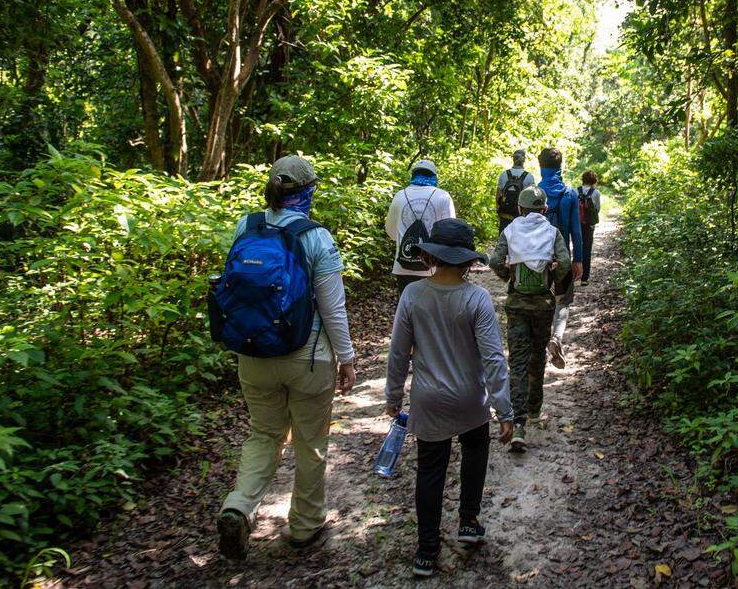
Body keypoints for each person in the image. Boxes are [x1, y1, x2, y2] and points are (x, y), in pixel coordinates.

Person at [216, 155, 357, 559]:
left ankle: (239, 506)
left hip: (253, 352)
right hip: (307, 357)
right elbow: (333, 307)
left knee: (264, 434)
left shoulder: (248, 225)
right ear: (308, 189)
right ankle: (306, 526)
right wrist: (346, 358)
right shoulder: (316, 236)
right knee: (310, 443)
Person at [384, 218, 514, 577]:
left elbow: (398, 352)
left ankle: (426, 551)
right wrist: (504, 409)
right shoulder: (477, 298)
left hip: (428, 399)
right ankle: (468, 521)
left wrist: (393, 395)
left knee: (429, 470)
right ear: (469, 261)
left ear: (431, 257)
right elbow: (492, 357)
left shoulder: (413, 295)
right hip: (471, 399)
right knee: (475, 450)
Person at [488, 186, 571, 452]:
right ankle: (535, 409)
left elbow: (495, 260)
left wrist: (508, 276)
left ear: (520, 209)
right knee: (537, 357)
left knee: (518, 361)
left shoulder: (511, 230)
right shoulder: (552, 232)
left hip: (517, 305)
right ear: (544, 209)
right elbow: (566, 262)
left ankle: (518, 423)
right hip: (543, 305)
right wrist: (553, 278)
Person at [536, 147, 583, 368]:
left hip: (538, 258)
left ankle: (540, 343)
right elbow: (576, 230)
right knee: (563, 301)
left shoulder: (534, 194)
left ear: (540, 166)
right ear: (560, 166)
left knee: (542, 299)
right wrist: (578, 259)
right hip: (563, 257)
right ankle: (556, 337)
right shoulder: (570, 194)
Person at [384, 159, 456, 295]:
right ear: (434, 176)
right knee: (432, 307)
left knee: (406, 306)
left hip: (403, 265)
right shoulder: (442, 196)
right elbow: (450, 233)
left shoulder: (399, 196)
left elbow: (391, 232)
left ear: (413, 175)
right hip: (433, 267)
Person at [495, 149, 535, 233]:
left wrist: (499, 212)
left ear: (513, 159)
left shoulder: (504, 174)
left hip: (505, 215)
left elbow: (498, 196)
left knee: (504, 240)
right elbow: (531, 198)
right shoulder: (529, 177)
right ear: (524, 160)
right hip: (521, 216)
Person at [577, 170, 602, 285]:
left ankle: (575, 276)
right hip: (589, 225)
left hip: (577, 224)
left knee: (577, 248)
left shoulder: (576, 191)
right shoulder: (596, 192)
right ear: (594, 180)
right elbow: (597, 209)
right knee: (587, 249)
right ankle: (584, 278)